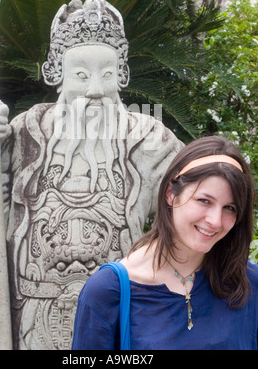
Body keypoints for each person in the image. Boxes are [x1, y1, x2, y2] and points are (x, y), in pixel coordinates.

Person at [0, 0, 183, 349]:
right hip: (35, 310)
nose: (95, 89)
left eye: (107, 75)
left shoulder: (150, 140)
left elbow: (191, 211)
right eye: (81, 76)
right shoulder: (27, 131)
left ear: (122, 76)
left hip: (121, 309)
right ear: (58, 75)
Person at [72, 135, 258, 350]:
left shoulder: (249, 284)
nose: (215, 221)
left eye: (230, 208)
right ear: (171, 194)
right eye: (204, 201)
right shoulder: (108, 291)